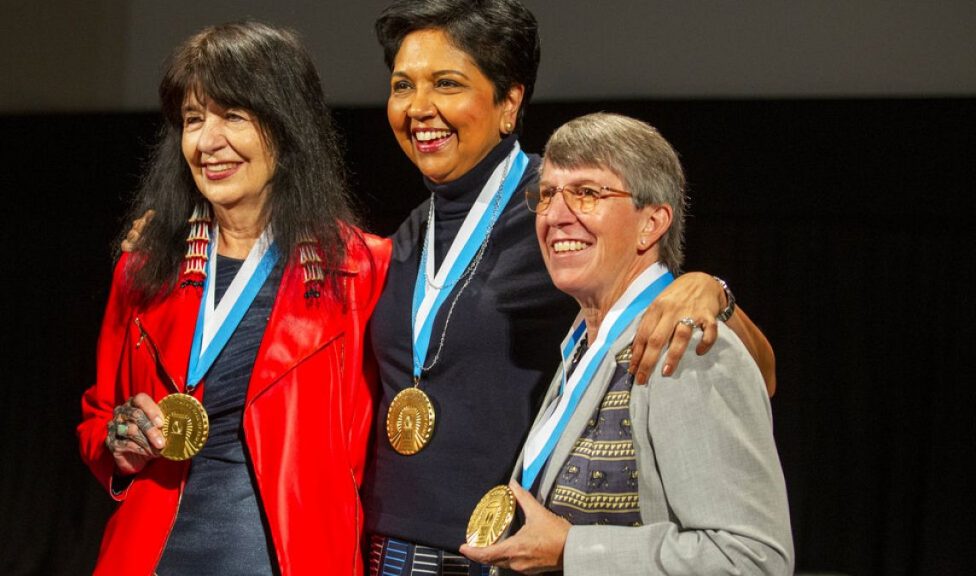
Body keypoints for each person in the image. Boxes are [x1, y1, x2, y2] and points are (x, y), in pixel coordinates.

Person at [364, 1, 777, 574]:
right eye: (402, 85)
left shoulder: (560, 210)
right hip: (383, 549)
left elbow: (754, 368)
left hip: (494, 556)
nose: (418, 107)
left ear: (509, 102)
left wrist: (712, 292)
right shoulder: (407, 234)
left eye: (447, 84)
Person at [76, 22, 390, 576]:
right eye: (194, 119)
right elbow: (99, 418)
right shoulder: (145, 267)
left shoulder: (360, 270)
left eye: (233, 116)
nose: (207, 141)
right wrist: (118, 439)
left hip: (292, 558)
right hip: (151, 557)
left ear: (286, 127)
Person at [459, 113, 793, 574]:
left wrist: (571, 550)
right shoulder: (584, 341)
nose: (555, 216)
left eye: (587, 193)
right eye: (549, 193)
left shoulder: (686, 345)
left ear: (651, 223)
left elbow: (752, 559)